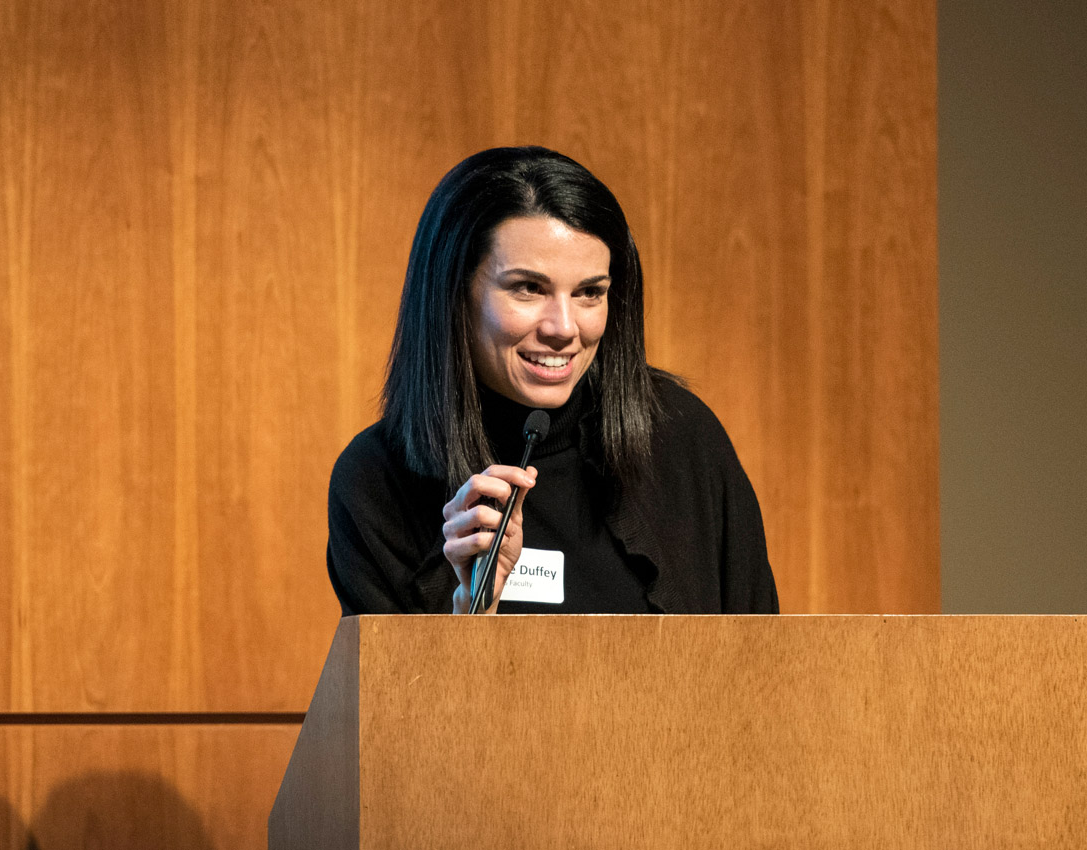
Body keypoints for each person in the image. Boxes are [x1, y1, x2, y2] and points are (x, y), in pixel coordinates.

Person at [326, 146, 778, 615]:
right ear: (454, 292)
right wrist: (469, 614)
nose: (563, 328)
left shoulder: (683, 436)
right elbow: (396, 689)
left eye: (589, 293)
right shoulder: (375, 482)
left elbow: (761, 665)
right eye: (528, 288)